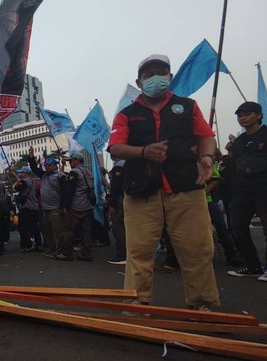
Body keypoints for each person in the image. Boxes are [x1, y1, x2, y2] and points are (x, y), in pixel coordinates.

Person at [108, 54, 220, 310]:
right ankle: (137, 303)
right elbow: (115, 148)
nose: (156, 78)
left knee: (198, 250)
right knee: (139, 253)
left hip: (186, 188)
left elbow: (206, 136)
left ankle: (204, 305)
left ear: (169, 77)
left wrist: (206, 157)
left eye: (161, 73)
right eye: (149, 75)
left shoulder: (187, 106)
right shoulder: (128, 114)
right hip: (142, 192)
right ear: (139, 81)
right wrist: (143, 152)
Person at [226, 101, 267, 281]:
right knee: (237, 227)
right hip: (242, 190)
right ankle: (252, 266)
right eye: (239, 115)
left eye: (246, 114)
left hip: (263, 187)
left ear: (258, 115)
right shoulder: (239, 142)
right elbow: (233, 165)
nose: (242, 118)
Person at [54, 151, 94, 262]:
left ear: (76, 160)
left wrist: (64, 206)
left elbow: (69, 191)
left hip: (76, 206)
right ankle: (86, 253)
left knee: (69, 230)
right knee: (86, 231)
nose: (70, 163)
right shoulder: (88, 172)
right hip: (88, 205)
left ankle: (66, 253)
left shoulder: (74, 173)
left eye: (71, 161)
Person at [28, 147, 66, 257]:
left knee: (58, 231)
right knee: (47, 230)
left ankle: (60, 250)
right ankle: (51, 248)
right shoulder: (44, 175)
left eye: (50, 164)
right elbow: (35, 169)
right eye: (46, 165)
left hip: (56, 208)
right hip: (45, 208)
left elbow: (64, 192)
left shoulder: (60, 176)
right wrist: (31, 156)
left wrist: (63, 206)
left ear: (55, 166)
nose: (47, 166)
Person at [13, 165, 42, 252]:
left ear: (25, 173)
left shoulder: (25, 181)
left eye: (22, 172)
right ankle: (38, 244)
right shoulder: (32, 181)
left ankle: (27, 245)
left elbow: (16, 188)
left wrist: (17, 182)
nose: (20, 174)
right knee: (34, 227)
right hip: (34, 207)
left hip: (27, 207)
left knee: (23, 227)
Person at [107, 159, 127, 265]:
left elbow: (116, 187)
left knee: (118, 227)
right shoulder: (130, 162)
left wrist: (112, 204)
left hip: (121, 201)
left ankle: (122, 255)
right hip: (130, 201)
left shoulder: (119, 166)